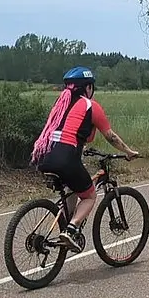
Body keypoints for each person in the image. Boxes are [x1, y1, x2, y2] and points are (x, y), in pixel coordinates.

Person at [30, 66, 139, 252]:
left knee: (72, 190)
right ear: (88, 88)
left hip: (46, 157)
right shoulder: (91, 106)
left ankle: (63, 228)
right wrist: (128, 151)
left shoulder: (60, 104)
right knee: (89, 195)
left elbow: (66, 131)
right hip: (66, 158)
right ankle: (71, 229)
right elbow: (110, 136)